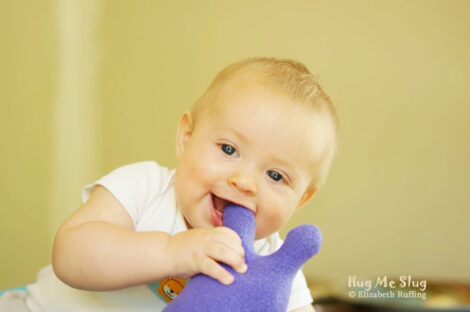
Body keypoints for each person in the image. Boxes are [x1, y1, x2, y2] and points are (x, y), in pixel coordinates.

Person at [3, 57, 338, 312]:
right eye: (228, 149)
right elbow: (70, 255)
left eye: (276, 176)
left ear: (302, 199)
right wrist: (173, 252)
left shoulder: (275, 264)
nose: (245, 182)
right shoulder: (145, 186)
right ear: (186, 138)